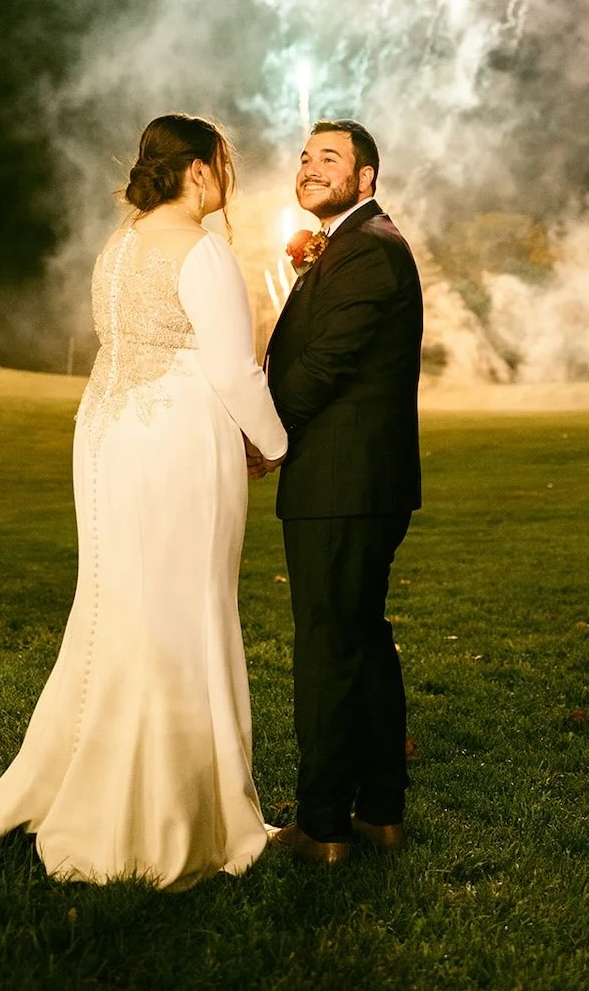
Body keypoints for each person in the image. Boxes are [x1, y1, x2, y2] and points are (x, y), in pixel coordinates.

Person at [0, 114, 287, 891]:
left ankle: (90, 775)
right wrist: (277, 443)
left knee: (119, 603)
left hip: (107, 433)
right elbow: (234, 370)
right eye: (224, 163)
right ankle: (173, 808)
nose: (228, 177)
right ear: (200, 170)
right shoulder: (202, 250)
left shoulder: (120, 244)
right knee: (184, 607)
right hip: (176, 439)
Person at [260, 120, 423, 865]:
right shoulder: (349, 244)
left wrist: (262, 436)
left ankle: (323, 824)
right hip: (357, 479)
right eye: (304, 157)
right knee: (361, 640)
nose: (310, 167)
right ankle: (381, 811)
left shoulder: (369, 249)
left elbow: (325, 364)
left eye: (329, 157)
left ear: (366, 179)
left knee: (327, 648)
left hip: (341, 481)